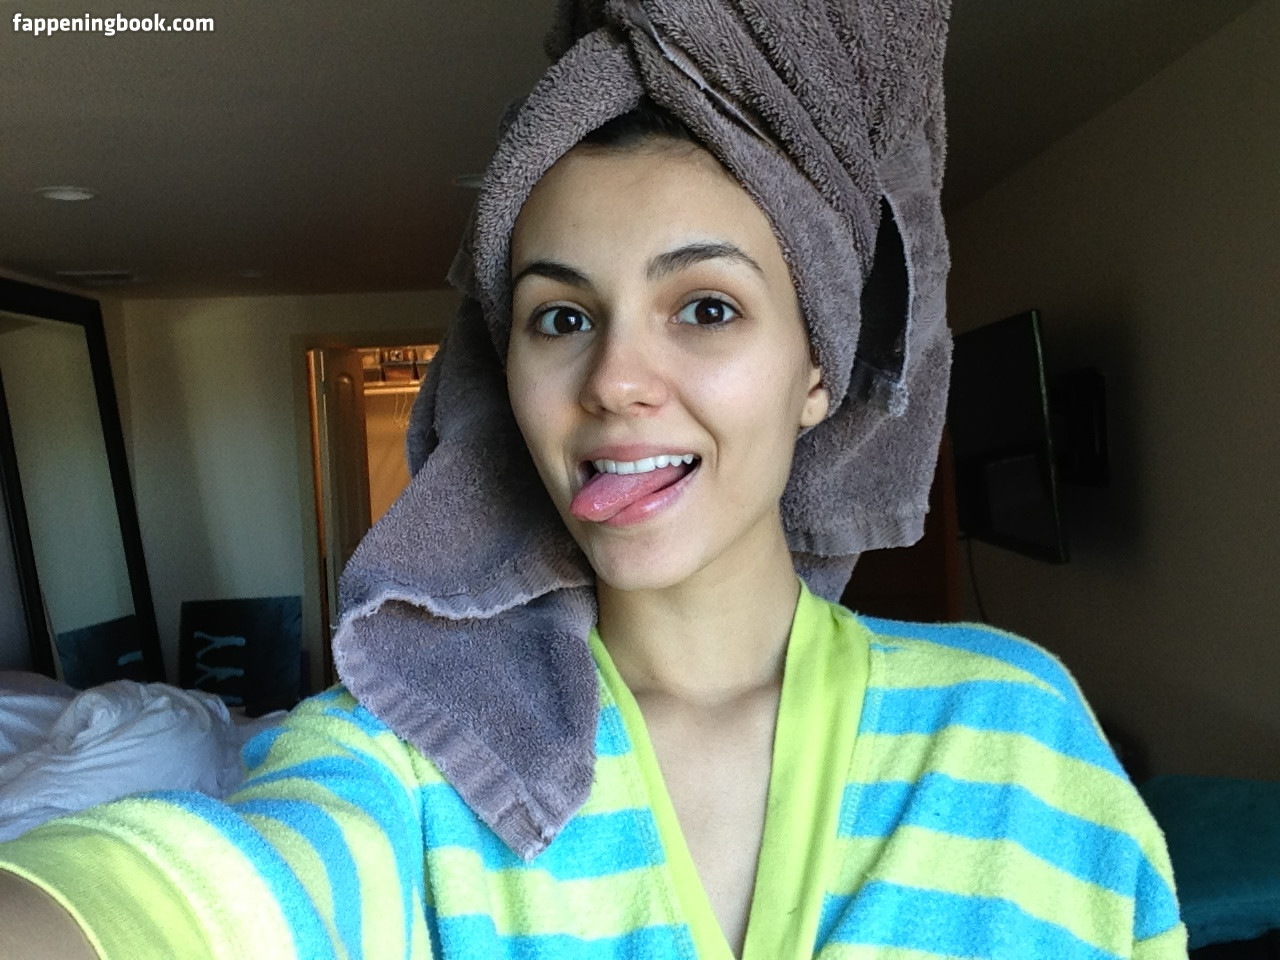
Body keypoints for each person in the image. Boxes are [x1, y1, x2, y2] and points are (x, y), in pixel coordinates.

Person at [0, 3, 1187, 957]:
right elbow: (215, 889)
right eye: (560, 316)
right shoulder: (411, 761)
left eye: (705, 308)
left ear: (816, 371)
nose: (614, 380)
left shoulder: (1012, 734)